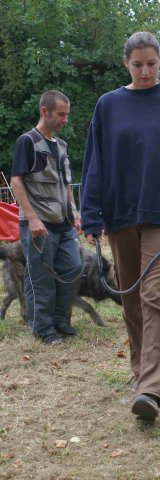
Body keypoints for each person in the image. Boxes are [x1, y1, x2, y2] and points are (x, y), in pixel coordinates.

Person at [81, 32, 160, 421]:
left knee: (155, 296)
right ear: (126, 64)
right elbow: (94, 162)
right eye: (138, 65)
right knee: (131, 300)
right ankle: (142, 378)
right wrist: (91, 213)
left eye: (151, 63)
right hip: (119, 217)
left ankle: (152, 390)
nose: (146, 71)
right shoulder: (108, 105)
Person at [10, 90, 83, 345]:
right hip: (38, 223)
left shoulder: (61, 146)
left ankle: (62, 321)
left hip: (63, 224)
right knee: (41, 277)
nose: (65, 120)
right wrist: (32, 218)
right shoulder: (27, 142)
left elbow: (65, 185)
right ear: (44, 111)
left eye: (67, 115)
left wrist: (74, 214)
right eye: (61, 114)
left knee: (73, 267)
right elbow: (16, 181)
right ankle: (43, 328)